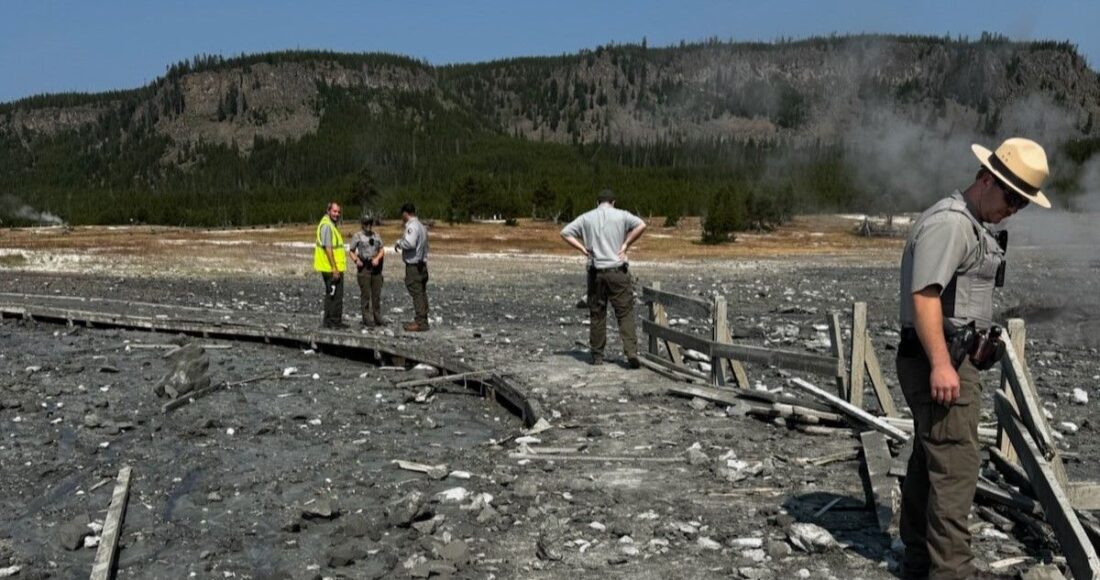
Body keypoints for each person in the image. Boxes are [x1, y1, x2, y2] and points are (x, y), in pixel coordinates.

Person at [896, 138, 1051, 579]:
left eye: (1023, 202)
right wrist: (943, 364)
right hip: (938, 358)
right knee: (956, 465)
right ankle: (952, 572)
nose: (1015, 209)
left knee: (933, 460)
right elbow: (925, 297)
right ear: (986, 179)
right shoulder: (951, 224)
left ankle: (921, 562)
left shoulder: (969, 223)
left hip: (946, 354)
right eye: (1012, 197)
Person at [560, 189, 647, 368]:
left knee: (597, 314)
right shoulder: (622, 215)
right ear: (613, 202)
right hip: (617, 270)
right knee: (624, 313)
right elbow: (641, 225)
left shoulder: (586, 217)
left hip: (596, 271)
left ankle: (597, 356)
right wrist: (625, 245)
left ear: (597, 202)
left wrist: (583, 249)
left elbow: (565, 232)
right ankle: (631, 352)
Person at [394, 202, 430, 332]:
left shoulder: (412, 227)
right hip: (422, 264)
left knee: (416, 292)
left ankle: (421, 322)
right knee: (421, 291)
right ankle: (423, 318)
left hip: (414, 265)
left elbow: (410, 243)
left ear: (405, 213)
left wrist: (399, 243)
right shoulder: (421, 226)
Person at [314, 201, 347, 329]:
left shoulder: (328, 224)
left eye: (338, 212)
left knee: (330, 293)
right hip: (331, 268)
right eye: (334, 211)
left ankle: (328, 321)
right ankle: (334, 322)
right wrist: (334, 268)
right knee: (336, 295)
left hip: (328, 267)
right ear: (328, 211)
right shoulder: (327, 226)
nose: (337, 214)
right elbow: (328, 248)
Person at [349, 214, 386, 327]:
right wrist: (356, 260)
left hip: (376, 267)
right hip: (364, 266)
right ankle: (366, 318)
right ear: (362, 224)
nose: (368, 226)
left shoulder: (376, 235)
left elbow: (382, 249)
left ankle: (377, 317)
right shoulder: (357, 236)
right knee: (365, 294)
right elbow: (351, 251)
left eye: (370, 223)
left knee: (376, 294)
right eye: (366, 223)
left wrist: (377, 258)